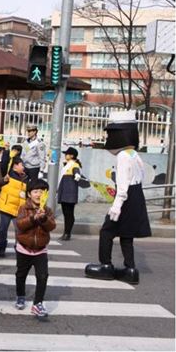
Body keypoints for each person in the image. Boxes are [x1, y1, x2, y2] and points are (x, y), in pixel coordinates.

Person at [85, 111, 151, 285]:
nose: (108, 137)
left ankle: (105, 266)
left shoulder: (122, 156)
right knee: (126, 235)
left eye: (111, 134)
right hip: (136, 196)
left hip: (125, 198)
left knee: (107, 231)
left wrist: (117, 206)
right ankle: (130, 269)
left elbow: (123, 184)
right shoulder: (134, 155)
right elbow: (139, 177)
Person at [14, 179, 56, 320]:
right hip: (24, 249)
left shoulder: (47, 210)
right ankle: (20, 295)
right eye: (36, 191)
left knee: (43, 276)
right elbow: (20, 224)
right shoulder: (23, 208)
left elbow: (51, 227)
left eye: (42, 192)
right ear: (29, 194)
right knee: (21, 275)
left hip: (40, 250)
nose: (39, 194)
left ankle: (37, 304)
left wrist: (43, 218)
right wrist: (33, 218)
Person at [0, 157, 28, 257]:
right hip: (6, 207)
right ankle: (2, 248)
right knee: (3, 229)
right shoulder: (8, 174)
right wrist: (6, 151)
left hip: (18, 208)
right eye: (21, 165)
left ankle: (19, 248)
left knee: (19, 230)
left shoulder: (25, 178)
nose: (23, 167)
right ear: (15, 165)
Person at [57, 147, 82, 241]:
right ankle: (66, 233)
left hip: (70, 193)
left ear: (72, 156)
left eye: (67, 154)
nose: (65, 155)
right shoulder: (67, 165)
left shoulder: (74, 164)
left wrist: (77, 175)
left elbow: (76, 171)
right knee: (66, 213)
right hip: (64, 191)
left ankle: (67, 233)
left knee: (69, 214)